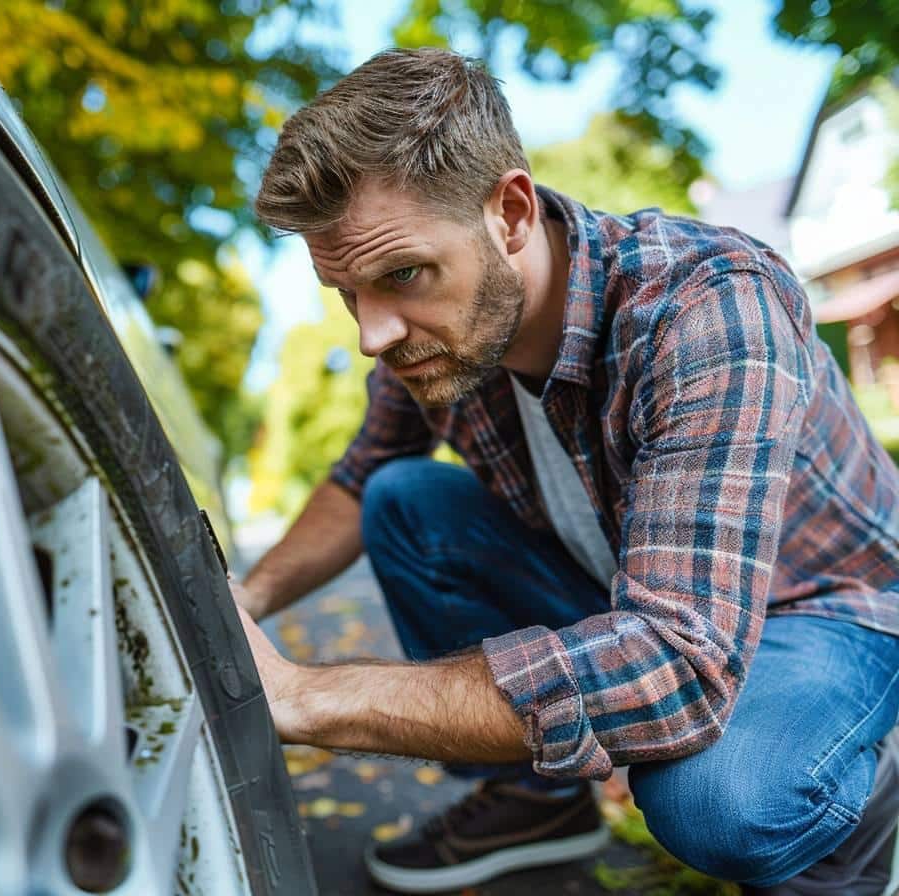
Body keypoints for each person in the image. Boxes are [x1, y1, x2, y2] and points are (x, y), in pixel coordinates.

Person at [232, 47, 899, 895]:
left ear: (510, 213)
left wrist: (303, 698)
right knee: (404, 499)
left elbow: (677, 666)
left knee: (721, 800)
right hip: (646, 594)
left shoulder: (708, 307)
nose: (373, 334)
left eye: (403, 275)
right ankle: (538, 802)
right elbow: (365, 475)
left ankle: (853, 794)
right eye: (348, 294)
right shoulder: (438, 341)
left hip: (822, 608)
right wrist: (235, 607)